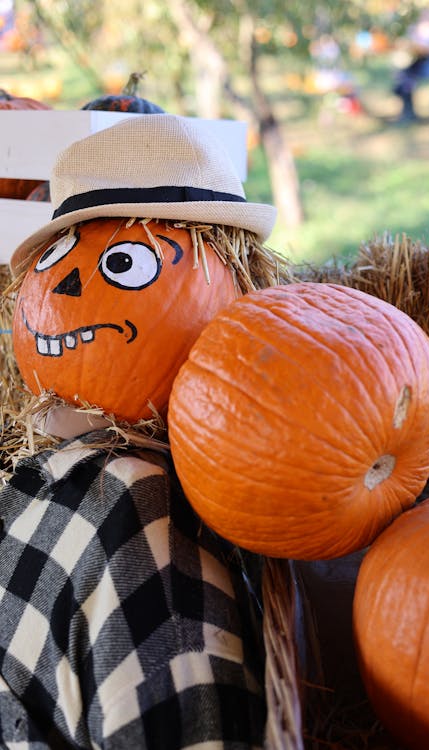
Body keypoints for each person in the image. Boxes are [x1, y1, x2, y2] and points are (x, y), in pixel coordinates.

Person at [0, 114, 293, 748]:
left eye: (123, 263)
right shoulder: (141, 509)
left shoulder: (119, 505)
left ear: (237, 291)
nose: (64, 287)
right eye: (52, 262)